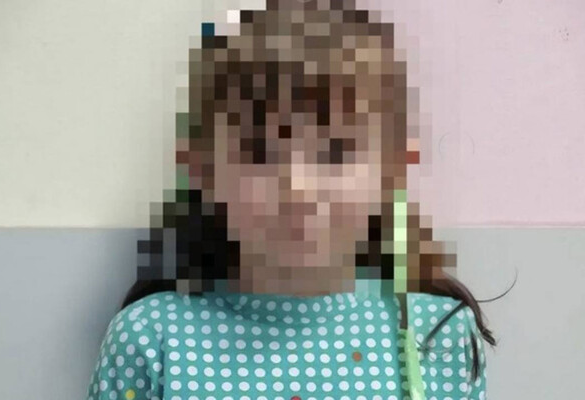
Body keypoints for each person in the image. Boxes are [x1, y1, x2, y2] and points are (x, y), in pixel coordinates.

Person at [86, 1, 501, 399]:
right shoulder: (152, 339)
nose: (297, 188)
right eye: (260, 153)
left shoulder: (440, 337)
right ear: (202, 171)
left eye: (335, 152)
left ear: (392, 169)